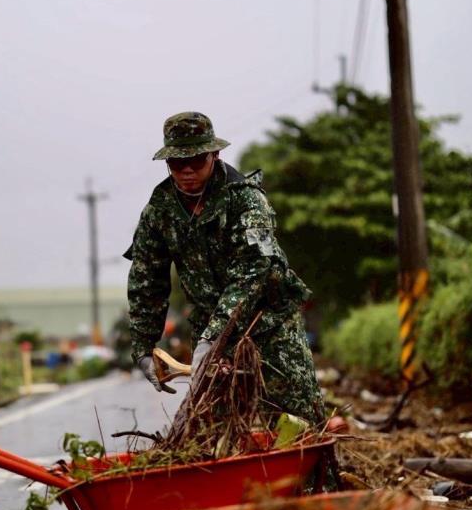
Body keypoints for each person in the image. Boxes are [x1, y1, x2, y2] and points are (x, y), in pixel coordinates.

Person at [125, 112, 326, 424]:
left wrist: (213, 337)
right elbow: (147, 281)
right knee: (208, 428)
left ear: (214, 155)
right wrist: (143, 347)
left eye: (196, 160)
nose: (187, 170)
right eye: (177, 163)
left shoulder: (246, 199)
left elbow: (254, 271)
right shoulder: (158, 211)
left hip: (269, 323)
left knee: (298, 423)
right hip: (209, 326)